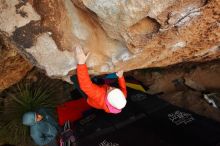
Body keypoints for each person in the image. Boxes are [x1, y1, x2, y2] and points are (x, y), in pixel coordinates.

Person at [74, 46, 127, 114]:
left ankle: (72, 78)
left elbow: (85, 85)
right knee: (100, 83)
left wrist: (81, 63)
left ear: (107, 97)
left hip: (90, 99)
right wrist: (121, 77)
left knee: (76, 79)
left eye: (110, 90)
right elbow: (123, 88)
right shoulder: (122, 97)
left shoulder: (99, 96)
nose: (110, 87)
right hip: (101, 89)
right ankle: (94, 79)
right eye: (114, 88)